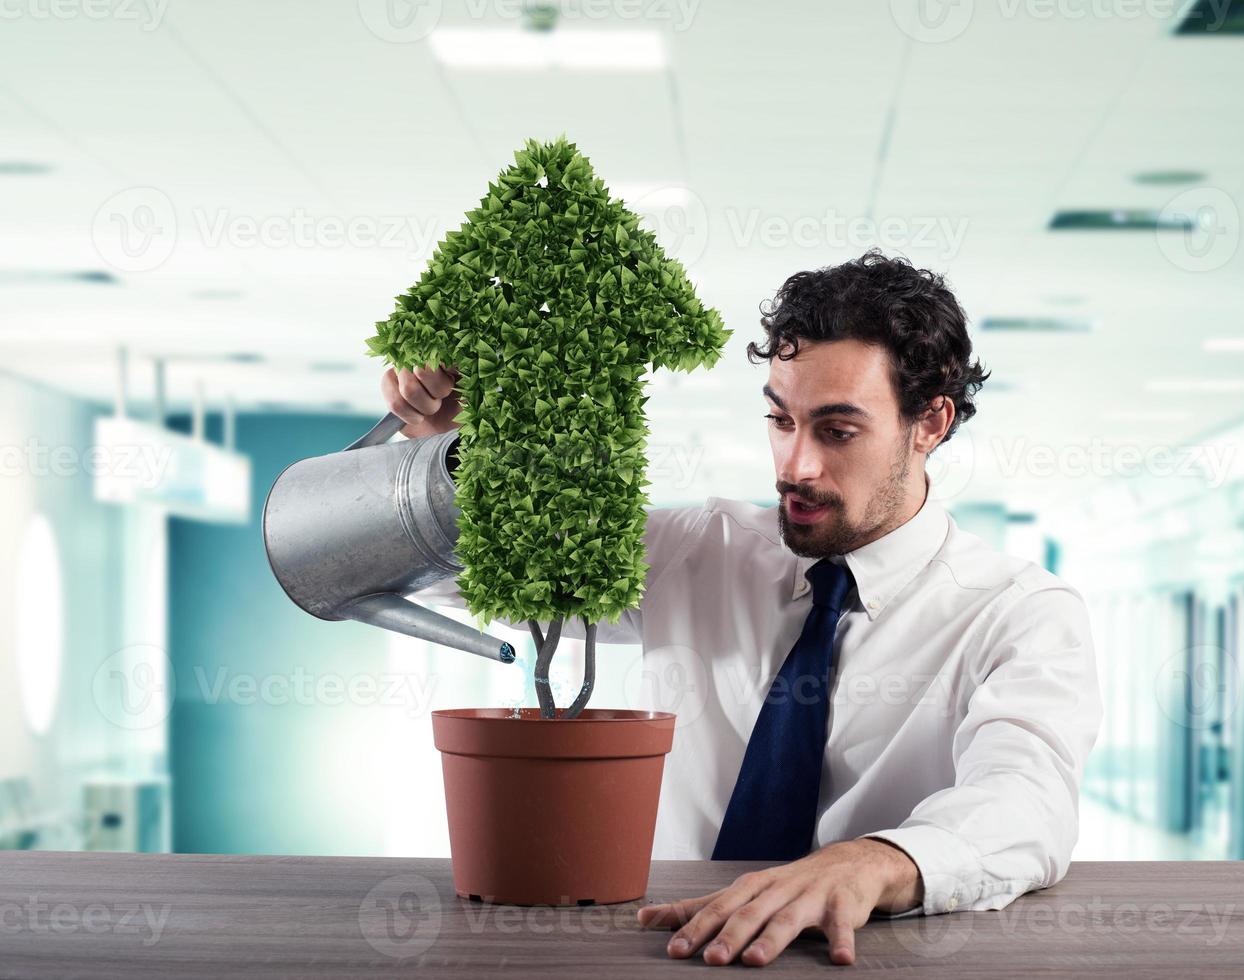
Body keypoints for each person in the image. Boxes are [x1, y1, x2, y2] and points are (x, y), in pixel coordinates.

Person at [382, 250, 1101, 968]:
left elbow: (1028, 799)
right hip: (664, 951)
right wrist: (446, 457)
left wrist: (878, 861)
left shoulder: (1018, 613)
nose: (797, 466)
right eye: (780, 420)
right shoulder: (700, 550)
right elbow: (478, 579)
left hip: (869, 960)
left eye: (837, 430)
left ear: (930, 423)